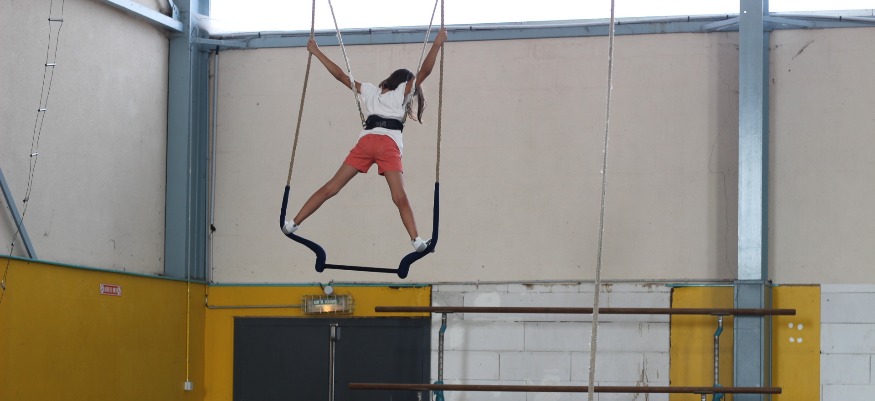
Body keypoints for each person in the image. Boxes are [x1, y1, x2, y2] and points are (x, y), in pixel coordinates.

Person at [283, 28, 448, 253]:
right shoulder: (403, 90)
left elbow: (341, 76)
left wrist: (317, 52)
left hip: (366, 141)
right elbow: (425, 71)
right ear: (405, 82)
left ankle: (292, 224)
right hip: (387, 144)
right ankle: (416, 240)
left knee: (332, 186)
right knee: (399, 196)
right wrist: (437, 43)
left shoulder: (370, 91)